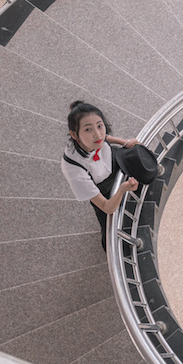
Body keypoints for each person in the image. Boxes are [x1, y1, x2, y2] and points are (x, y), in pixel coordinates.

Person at [61, 101, 140, 251]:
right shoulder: (74, 169)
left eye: (99, 126)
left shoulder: (96, 139)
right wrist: (122, 190)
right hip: (103, 189)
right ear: (74, 134)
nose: (97, 134)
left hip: (113, 161)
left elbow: (104, 138)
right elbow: (106, 207)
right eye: (88, 129)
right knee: (109, 226)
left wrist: (124, 142)